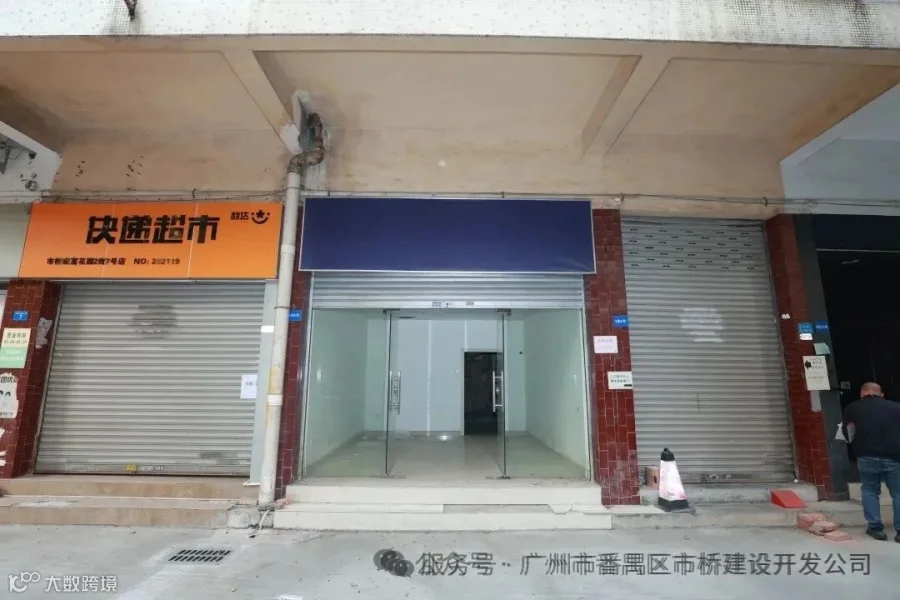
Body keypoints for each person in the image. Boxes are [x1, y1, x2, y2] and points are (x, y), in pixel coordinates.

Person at [842, 382, 900, 542]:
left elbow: (847, 432)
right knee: (898, 493)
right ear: (882, 394)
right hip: (894, 456)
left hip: (866, 455)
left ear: (862, 394)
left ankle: (875, 528)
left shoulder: (853, 407)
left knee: (870, 490)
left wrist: (853, 447)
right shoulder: (896, 407)